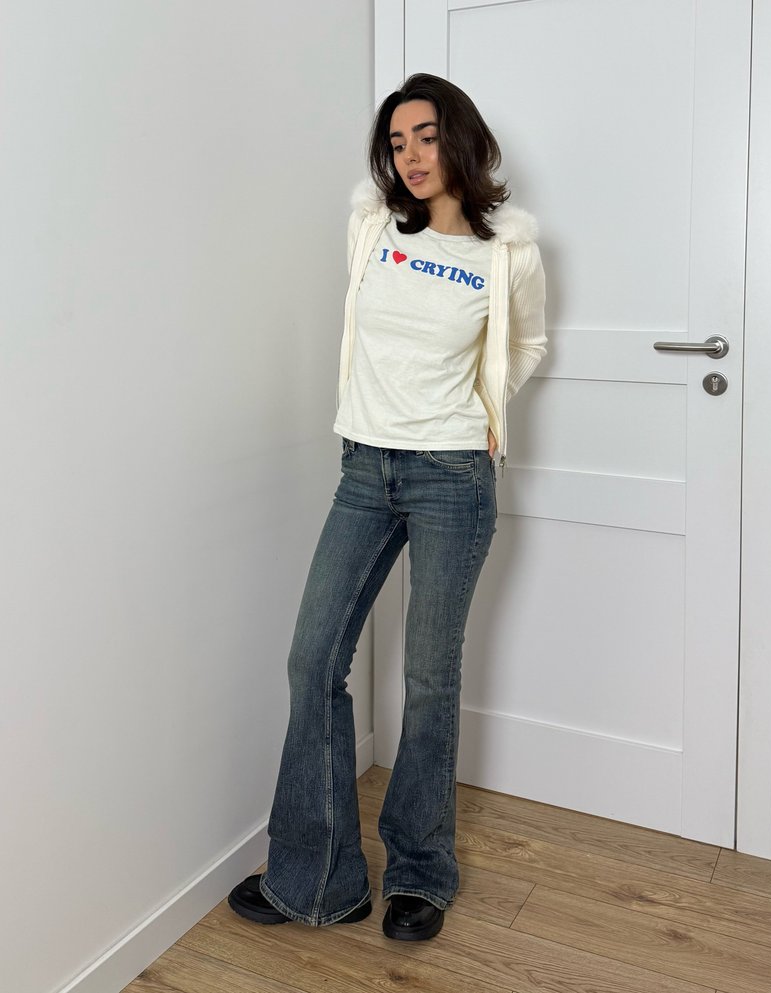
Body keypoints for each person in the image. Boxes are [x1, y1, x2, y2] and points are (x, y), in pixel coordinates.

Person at [228, 74, 546, 941]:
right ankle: (321, 878)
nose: (410, 155)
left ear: (462, 141)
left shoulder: (506, 249)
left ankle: (419, 873)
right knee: (312, 660)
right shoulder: (371, 229)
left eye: (427, 136)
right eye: (397, 140)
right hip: (364, 468)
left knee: (428, 676)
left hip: (451, 474)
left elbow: (527, 341)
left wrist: (486, 411)